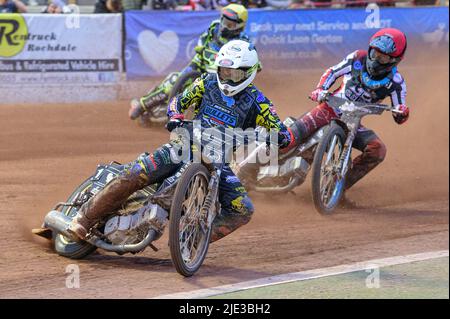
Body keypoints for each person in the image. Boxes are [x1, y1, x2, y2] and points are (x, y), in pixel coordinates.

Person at [69, 40, 292, 242]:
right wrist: (175, 116)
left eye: (234, 74)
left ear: (249, 73)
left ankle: (195, 241)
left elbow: (281, 130)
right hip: (183, 146)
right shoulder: (206, 82)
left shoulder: (259, 102)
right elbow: (178, 101)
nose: (227, 77)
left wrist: (282, 136)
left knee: (242, 209)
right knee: (136, 173)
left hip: (219, 164)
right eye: (224, 71)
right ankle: (85, 218)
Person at [288, 28, 410, 205]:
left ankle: (336, 188)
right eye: (374, 53)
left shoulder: (396, 82)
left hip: (353, 122)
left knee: (378, 150)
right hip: (329, 108)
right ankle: (256, 165)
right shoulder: (357, 58)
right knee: (291, 137)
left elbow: (400, 109)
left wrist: (402, 112)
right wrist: (321, 89)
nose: (376, 59)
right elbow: (332, 72)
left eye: (382, 57)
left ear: (394, 60)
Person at [128, 3, 253, 121]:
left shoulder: (243, 42)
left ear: (239, 26)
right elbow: (202, 41)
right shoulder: (214, 27)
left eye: (229, 24)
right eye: (224, 21)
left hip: (220, 76)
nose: (224, 26)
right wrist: (201, 50)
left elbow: (253, 63)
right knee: (175, 80)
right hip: (200, 63)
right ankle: (141, 105)